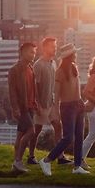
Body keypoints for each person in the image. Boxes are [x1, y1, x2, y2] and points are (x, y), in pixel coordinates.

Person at [39, 43, 89, 176]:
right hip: (67, 107)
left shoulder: (74, 68)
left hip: (78, 104)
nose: (76, 55)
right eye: (75, 53)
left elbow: (76, 88)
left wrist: (82, 103)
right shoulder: (60, 72)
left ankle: (77, 166)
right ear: (70, 56)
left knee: (79, 137)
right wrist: (55, 112)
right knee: (68, 137)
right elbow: (56, 94)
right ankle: (46, 160)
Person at [28, 37, 71, 165]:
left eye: (55, 46)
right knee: (36, 131)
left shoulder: (54, 63)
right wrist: (37, 105)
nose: (55, 48)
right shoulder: (38, 65)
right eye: (52, 46)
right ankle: (31, 156)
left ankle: (60, 156)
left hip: (52, 103)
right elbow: (34, 86)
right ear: (45, 48)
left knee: (58, 126)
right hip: (41, 104)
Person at [8, 42, 38, 173]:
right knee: (31, 131)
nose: (33, 55)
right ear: (23, 52)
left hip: (30, 106)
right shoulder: (14, 70)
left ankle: (15, 164)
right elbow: (12, 91)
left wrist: (35, 101)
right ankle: (18, 161)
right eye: (31, 52)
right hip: (22, 108)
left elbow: (32, 88)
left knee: (20, 135)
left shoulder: (31, 68)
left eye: (34, 52)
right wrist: (15, 108)